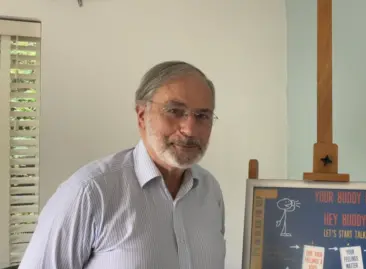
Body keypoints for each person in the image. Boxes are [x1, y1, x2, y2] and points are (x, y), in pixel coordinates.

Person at [18, 61, 226, 269]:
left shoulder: (210, 192)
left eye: (202, 116)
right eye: (174, 111)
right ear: (142, 116)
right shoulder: (90, 192)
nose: (189, 129)